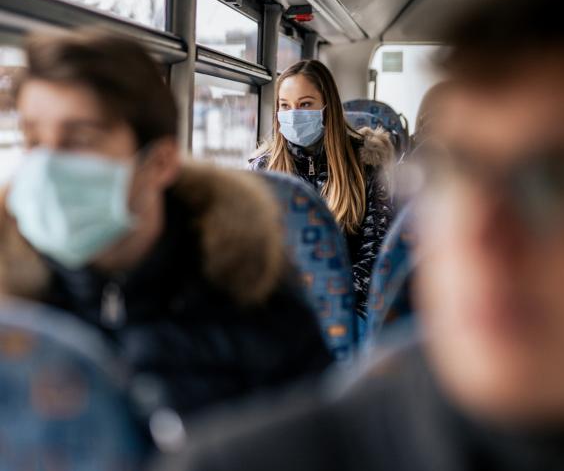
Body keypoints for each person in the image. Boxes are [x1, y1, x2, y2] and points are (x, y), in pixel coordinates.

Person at [155, 0, 564, 471]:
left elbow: (374, 263)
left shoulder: (367, 164)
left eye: (554, 180)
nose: (481, 233)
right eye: (460, 173)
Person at [0, 30, 331, 425]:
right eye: (34, 140)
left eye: (80, 139)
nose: (47, 166)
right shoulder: (16, 304)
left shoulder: (258, 310)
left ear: (159, 163)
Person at [250, 60, 394, 323]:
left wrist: (329, 300)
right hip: (280, 307)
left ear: (327, 108)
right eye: (285, 106)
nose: (294, 114)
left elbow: (376, 252)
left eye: (305, 104)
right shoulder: (263, 171)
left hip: (350, 306)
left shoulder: (366, 163)